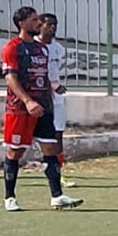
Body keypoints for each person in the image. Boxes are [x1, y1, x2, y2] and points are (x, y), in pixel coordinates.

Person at [0, 5, 82, 211]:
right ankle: (10, 197)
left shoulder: (42, 49)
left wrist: (48, 103)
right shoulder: (12, 47)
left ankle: (57, 195)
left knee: (50, 149)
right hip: (20, 109)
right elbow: (10, 78)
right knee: (16, 152)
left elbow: (43, 78)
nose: (39, 23)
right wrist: (28, 101)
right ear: (22, 23)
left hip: (43, 108)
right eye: (34, 20)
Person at [35, 12, 72, 183]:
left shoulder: (58, 48)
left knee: (58, 133)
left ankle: (59, 173)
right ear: (40, 25)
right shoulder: (33, 47)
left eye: (55, 24)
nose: (53, 28)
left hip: (56, 97)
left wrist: (55, 86)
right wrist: (50, 86)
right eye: (49, 24)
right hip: (38, 97)